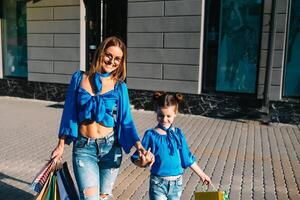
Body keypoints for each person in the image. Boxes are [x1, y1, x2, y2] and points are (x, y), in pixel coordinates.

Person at [50, 36, 154, 200]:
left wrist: (139, 147)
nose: (112, 61)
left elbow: (126, 121)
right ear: (100, 53)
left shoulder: (120, 87)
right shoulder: (79, 78)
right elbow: (68, 113)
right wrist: (61, 145)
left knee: (103, 197)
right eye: (108, 55)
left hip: (111, 149)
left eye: (117, 59)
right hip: (84, 149)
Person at [131, 92, 211, 200]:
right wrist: (143, 162)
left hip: (177, 184)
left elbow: (187, 158)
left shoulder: (178, 134)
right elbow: (137, 158)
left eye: (168, 116)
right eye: (161, 115)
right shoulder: (151, 135)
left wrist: (202, 175)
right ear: (156, 112)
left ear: (175, 113)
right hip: (158, 184)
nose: (164, 119)